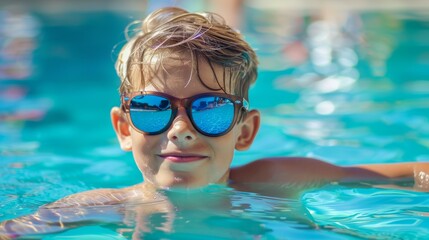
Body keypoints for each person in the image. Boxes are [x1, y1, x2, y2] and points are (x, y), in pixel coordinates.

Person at [1, 7, 428, 238]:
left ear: (245, 131)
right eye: (153, 107)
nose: (180, 129)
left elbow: (412, 176)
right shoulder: (100, 207)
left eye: (210, 108)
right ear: (124, 128)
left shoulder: (277, 179)